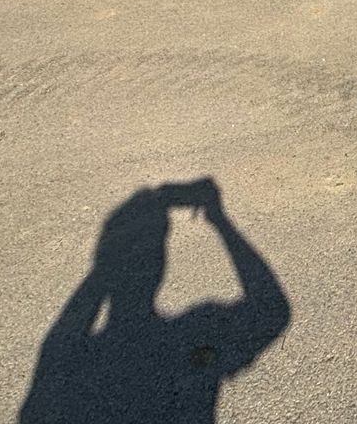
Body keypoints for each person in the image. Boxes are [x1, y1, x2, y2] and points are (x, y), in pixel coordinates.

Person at [19, 179, 291, 424]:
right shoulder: (185, 336)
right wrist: (220, 221)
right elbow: (272, 310)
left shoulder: (60, 359)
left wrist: (105, 270)